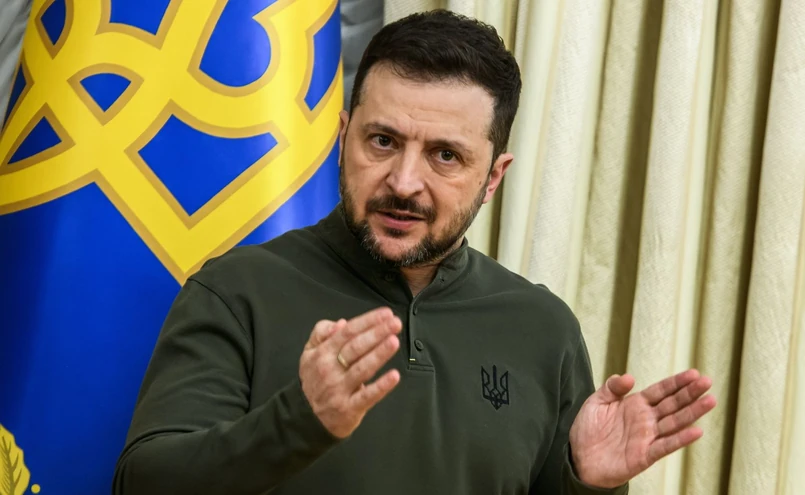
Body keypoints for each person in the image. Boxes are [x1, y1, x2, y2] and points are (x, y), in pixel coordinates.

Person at [112, 10, 716, 494]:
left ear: (493, 177)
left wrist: (585, 483)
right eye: (382, 141)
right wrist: (299, 421)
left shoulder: (544, 327)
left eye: (445, 156)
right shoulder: (236, 292)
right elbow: (142, 484)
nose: (403, 182)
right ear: (343, 137)